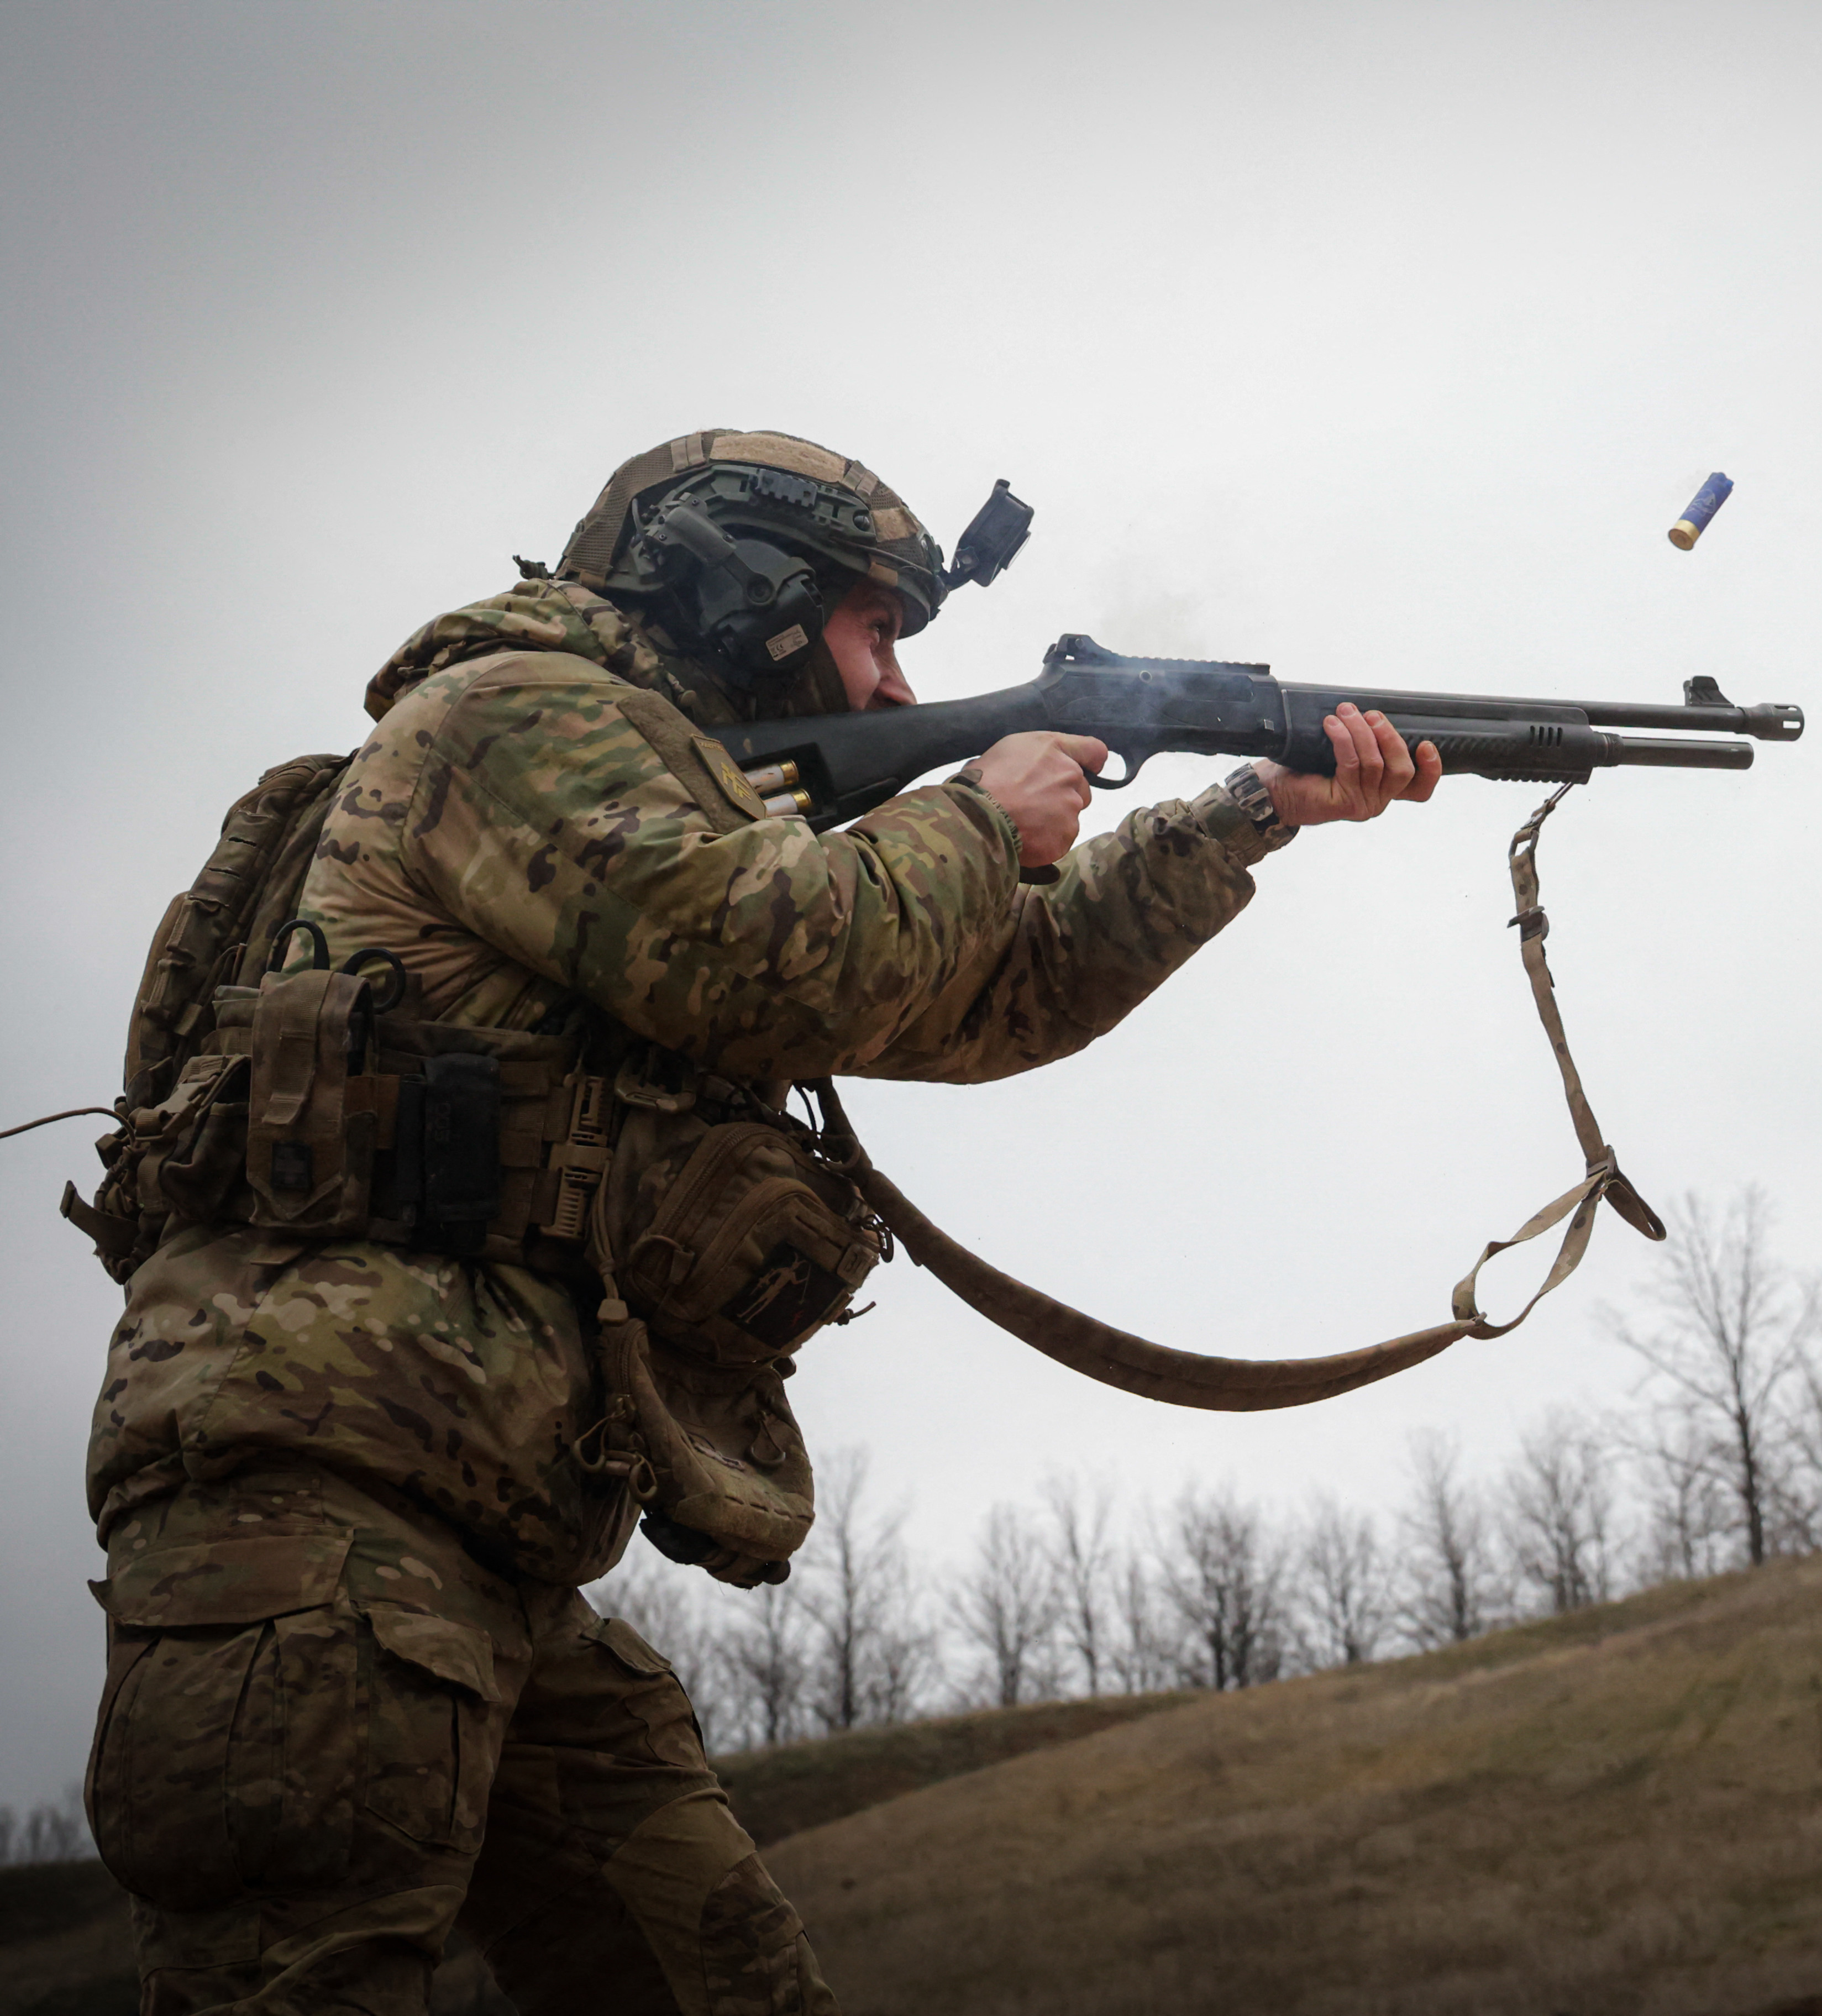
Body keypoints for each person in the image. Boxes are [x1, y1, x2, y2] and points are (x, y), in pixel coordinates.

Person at [80, 430, 1437, 2014]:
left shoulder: (680, 796)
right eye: (877, 629)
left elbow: (992, 992)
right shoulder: (512, 717)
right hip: (310, 1520)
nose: (893, 685)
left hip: (479, 1539)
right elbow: (776, 965)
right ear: (749, 594)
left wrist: (1254, 810)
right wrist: (979, 817)